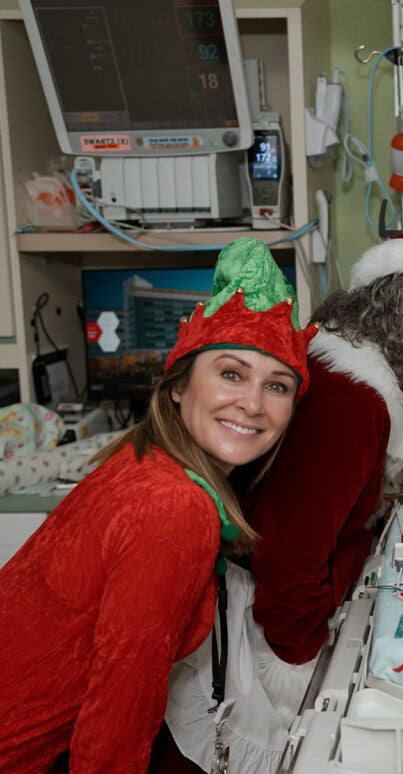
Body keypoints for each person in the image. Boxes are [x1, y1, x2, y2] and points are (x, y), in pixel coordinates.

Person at [161, 220, 403, 772]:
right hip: (266, 639)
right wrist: (300, 662)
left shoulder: (339, 372)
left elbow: (305, 502)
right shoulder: (355, 403)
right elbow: (291, 554)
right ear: (387, 304)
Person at [0, 237, 317, 773]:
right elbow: (118, 714)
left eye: (278, 386)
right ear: (178, 385)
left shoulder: (144, 458)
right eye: (231, 373)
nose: (253, 404)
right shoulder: (175, 507)